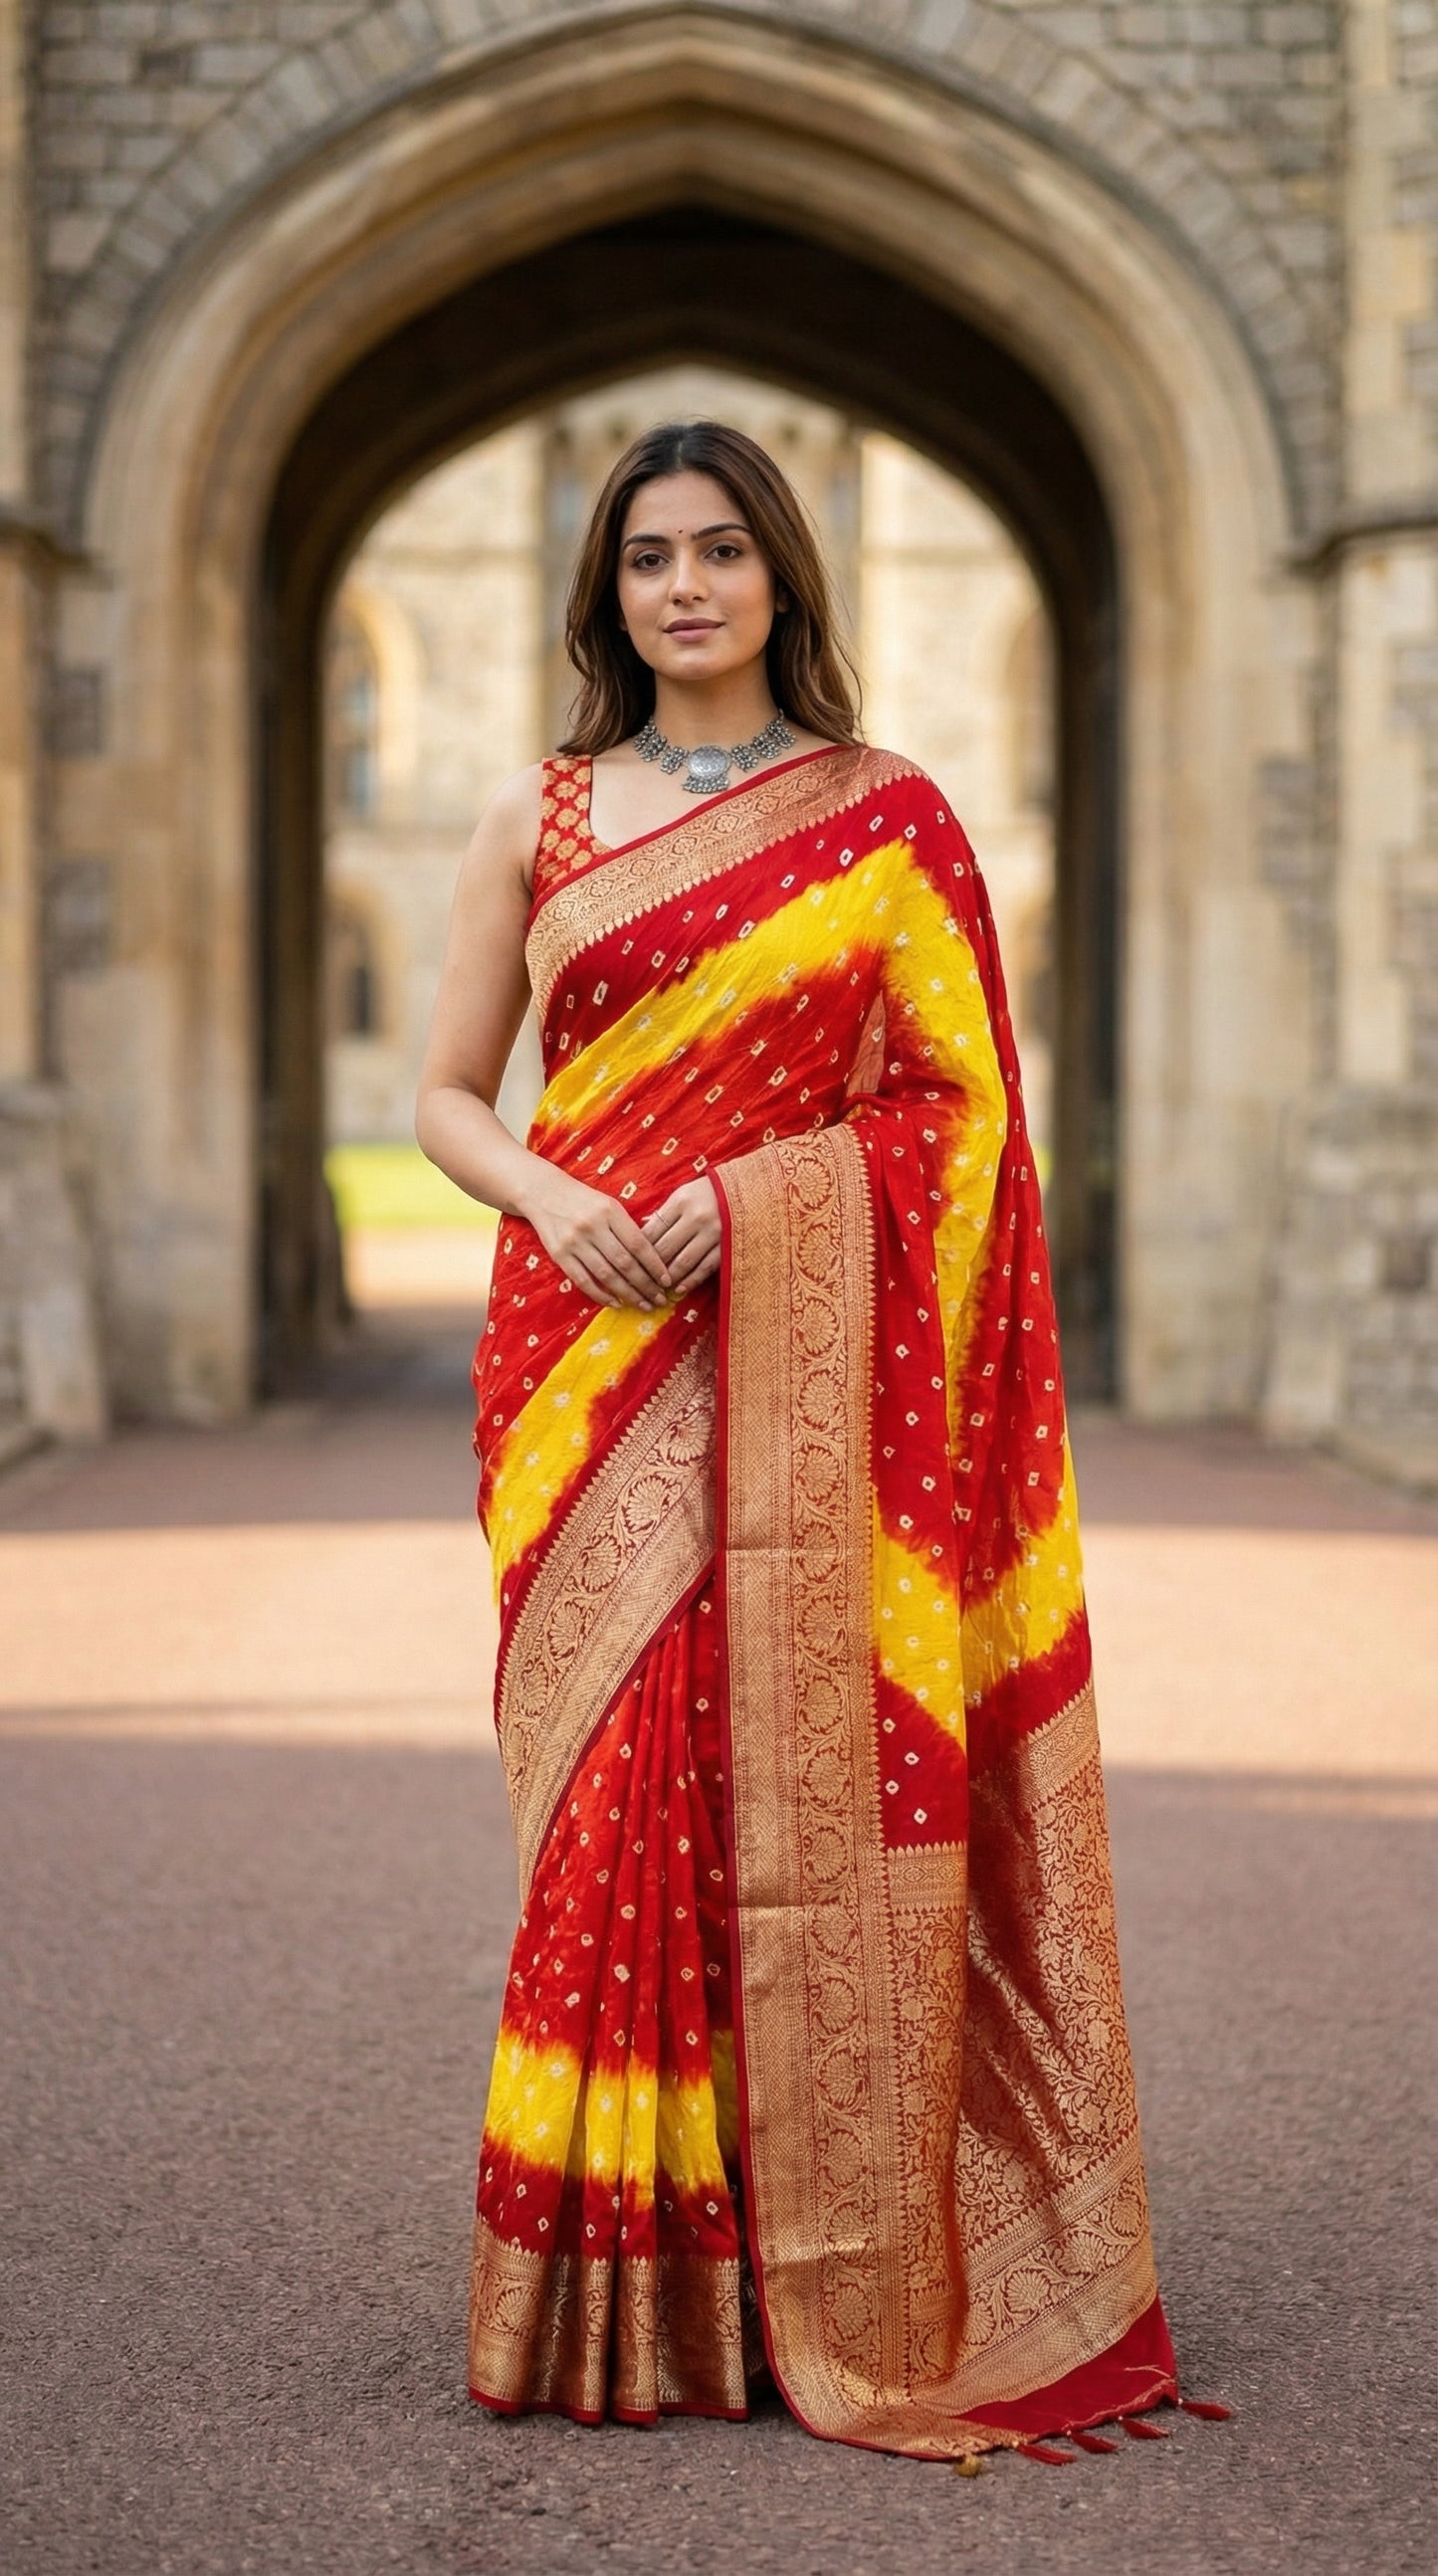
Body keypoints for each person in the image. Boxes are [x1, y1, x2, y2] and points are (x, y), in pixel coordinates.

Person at [416, 419, 1183, 2463]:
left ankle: (802, 2257)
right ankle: (608, 2275)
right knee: (610, 1797)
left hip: (794, 1359)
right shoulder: (540, 815)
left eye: (724, 552)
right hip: (581, 1350)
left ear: (786, 578)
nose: (685, 586)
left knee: (778, 1782)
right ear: (606, 589)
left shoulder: (884, 815)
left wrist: (757, 1205)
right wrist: (558, 1202)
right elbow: (443, 1093)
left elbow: (960, 1117)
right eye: (650, 554)